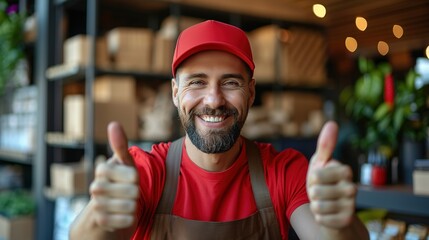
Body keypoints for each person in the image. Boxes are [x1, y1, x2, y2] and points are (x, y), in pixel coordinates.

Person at [69, 20, 369, 240]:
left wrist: (338, 224)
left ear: (251, 93)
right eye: (197, 82)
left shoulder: (283, 171)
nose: (213, 100)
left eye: (231, 82)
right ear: (175, 93)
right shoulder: (147, 171)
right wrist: (101, 214)